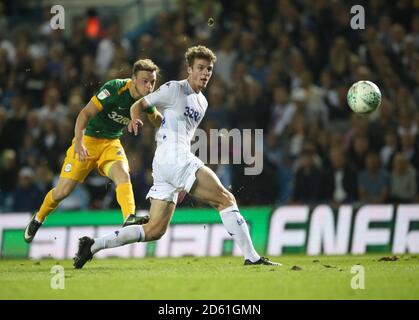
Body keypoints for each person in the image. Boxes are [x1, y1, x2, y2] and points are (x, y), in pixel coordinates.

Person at [73, 45, 280, 268]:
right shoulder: (173, 89)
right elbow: (139, 104)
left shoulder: (203, 102)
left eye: (209, 69)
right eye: (200, 67)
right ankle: (252, 257)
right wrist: (134, 119)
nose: (205, 73)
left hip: (169, 162)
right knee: (225, 199)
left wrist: (179, 183)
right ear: (189, 69)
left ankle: (92, 245)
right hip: (172, 156)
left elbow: (185, 135)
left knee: (154, 230)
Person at [24, 59, 161, 243]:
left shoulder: (146, 100)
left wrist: (167, 118)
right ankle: (38, 218)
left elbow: (156, 119)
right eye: (145, 81)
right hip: (87, 141)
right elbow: (85, 114)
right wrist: (79, 142)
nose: (149, 86)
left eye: (152, 82)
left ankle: (129, 218)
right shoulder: (114, 88)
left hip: (111, 143)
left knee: (123, 175)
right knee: (62, 192)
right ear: (133, 79)